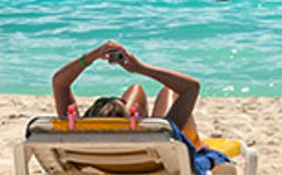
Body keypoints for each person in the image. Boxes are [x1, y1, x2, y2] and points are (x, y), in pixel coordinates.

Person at [52, 40, 202, 141]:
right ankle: (197, 143)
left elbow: (59, 83)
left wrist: (93, 56)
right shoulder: (159, 137)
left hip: (94, 162)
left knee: (135, 89)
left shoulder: (77, 134)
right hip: (148, 164)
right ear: (133, 119)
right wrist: (141, 68)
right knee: (169, 92)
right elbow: (191, 86)